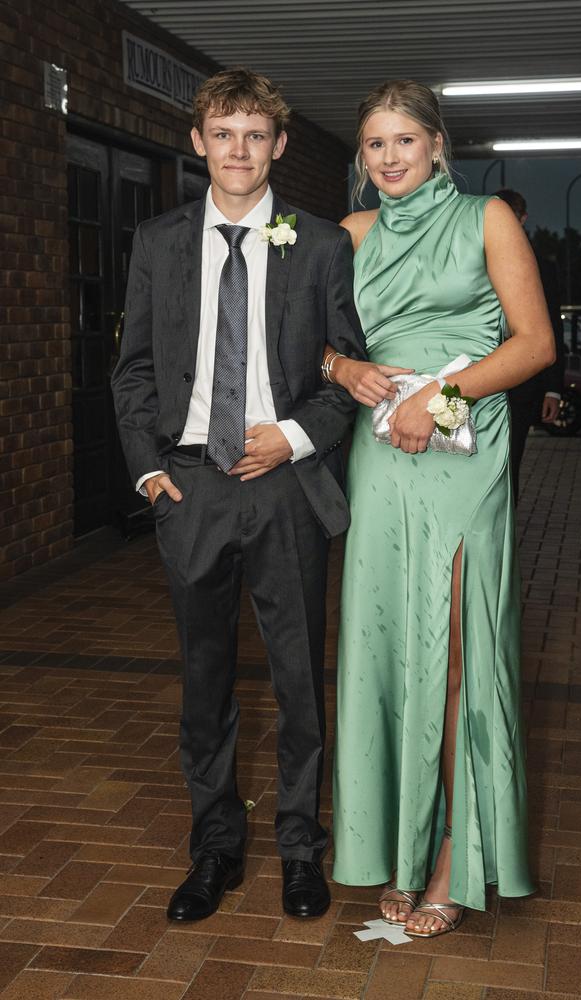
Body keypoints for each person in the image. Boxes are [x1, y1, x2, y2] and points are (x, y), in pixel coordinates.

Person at [111, 67, 365, 923]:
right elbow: (135, 368)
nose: (239, 150)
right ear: (198, 142)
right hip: (190, 488)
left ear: (278, 146)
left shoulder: (322, 243)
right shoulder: (158, 241)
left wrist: (292, 436)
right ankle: (214, 848)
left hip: (285, 488)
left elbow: (343, 373)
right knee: (205, 680)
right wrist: (152, 470)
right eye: (223, 133)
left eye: (255, 135)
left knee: (298, 679)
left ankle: (301, 849)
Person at [327, 80, 555, 938]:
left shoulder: (488, 218)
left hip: (464, 450)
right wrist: (342, 370)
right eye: (374, 145)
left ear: (436, 146)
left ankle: (461, 853)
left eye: (404, 142)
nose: (388, 159)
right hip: (380, 456)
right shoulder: (351, 234)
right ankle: (404, 848)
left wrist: (442, 400)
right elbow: (294, 336)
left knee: (457, 644)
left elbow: (534, 345)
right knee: (388, 643)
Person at [495, 189, 566, 502]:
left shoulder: (540, 264)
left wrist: (553, 389)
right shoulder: (472, 253)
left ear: (522, 219)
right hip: (474, 377)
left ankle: (502, 536)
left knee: (510, 463)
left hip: (522, 385)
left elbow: (552, 327)